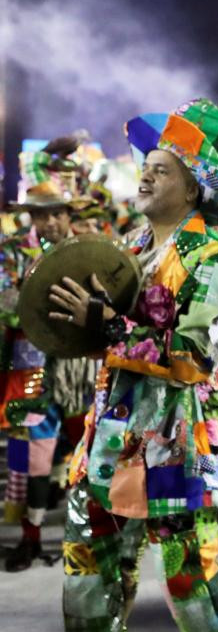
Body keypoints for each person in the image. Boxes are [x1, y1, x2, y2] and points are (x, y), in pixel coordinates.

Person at [51, 85, 218, 632]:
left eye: (163, 168)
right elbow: (105, 340)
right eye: (146, 165)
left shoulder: (217, 258)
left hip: (176, 445)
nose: (146, 173)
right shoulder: (131, 254)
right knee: (89, 568)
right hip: (110, 443)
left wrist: (110, 330)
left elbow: (192, 358)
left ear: (196, 185)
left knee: (189, 579)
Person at [0, 139, 93, 571]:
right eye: (43, 213)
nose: (51, 221)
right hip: (30, 368)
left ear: (69, 215)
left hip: (78, 367)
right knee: (31, 458)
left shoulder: (86, 249)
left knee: (85, 453)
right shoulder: (13, 251)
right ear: (31, 216)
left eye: (58, 213)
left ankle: (86, 537)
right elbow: (3, 302)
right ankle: (30, 537)